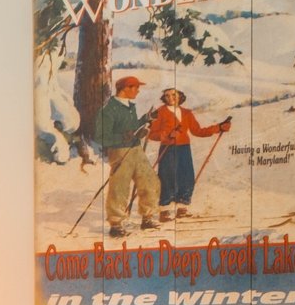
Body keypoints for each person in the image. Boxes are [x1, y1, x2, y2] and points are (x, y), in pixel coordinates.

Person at [145, 87, 231, 222]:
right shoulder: (160, 112)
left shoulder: (186, 113)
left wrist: (219, 127)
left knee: (186, 176)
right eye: (167, 95)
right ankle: (165, 210)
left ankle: (182, 207)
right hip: (167, 149)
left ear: (180, 96)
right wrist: (167, 135)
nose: (170, 97)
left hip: (184, 148)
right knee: (167, 177)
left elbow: (198, 131)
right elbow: (151, 134)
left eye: (173, 95)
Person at [91, 74, 159, 238]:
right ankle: (116, 224)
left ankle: (147, 217)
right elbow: (100, 137)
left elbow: (133, 129)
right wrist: (124, 137)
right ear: (125, 89)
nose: (138, 91)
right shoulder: (108, 110)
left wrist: (145, 120)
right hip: (120, 152)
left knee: (150, 181)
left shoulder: (130, 106)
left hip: (136, 150)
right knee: (119, 187)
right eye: (136, 88)